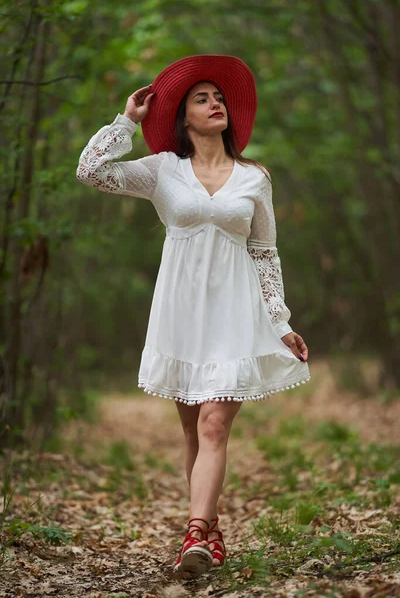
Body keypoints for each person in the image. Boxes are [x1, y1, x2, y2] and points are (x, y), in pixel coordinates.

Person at [76, 54, 310, 580]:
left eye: (220, 97)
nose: (215, 103)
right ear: (183, 117)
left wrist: (280, 322)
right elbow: (90, 170)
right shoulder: (162, 170)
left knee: (214, 424)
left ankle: (196, 534)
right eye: (202, 98)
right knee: (192, 433)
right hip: (181, 310)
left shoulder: (255, 178)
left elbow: (265, 254)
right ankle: (208, 529)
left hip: (236, 310)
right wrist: (127, 121)